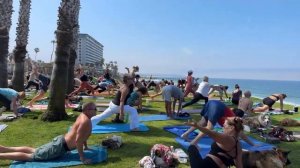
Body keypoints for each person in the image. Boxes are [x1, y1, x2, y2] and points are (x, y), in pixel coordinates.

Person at [0, 102, 96, 164]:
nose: (96, 110)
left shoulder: (83, 116)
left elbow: (83, 135)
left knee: (35, 150)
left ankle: (3, 149)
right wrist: (82, 158)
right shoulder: (85, 121)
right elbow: (79, 140)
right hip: (60, 147)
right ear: (87, 110)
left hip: (61, 142)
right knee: (32, 156)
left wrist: (86, 147)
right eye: (94, 109)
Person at [181, 100, 254, 146]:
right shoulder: (234, 123)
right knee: (209, 127)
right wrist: (252, 144)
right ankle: (194, 142)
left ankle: (185, 134)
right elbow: (242, 135)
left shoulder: (231, 122)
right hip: (216, 107)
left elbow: (235, 135)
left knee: (202, 123)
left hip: (211, 103)